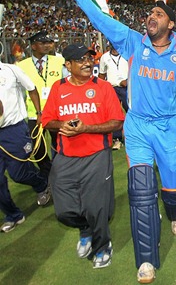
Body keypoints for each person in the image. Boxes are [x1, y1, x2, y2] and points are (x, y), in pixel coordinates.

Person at [58, 0, 176, 284]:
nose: (150, 17)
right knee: (140, 191)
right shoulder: (134, 42)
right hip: (137, 126)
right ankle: (147, 261)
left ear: (171, 23)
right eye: (149, 14)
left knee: (173, 187)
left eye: (158, 14)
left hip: (170, 127)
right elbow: (101, 19)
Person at [42, 44, 124, 269]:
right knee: (63, 211)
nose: (88, 63)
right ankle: (85, 228)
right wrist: (62, 124)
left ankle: (102, 246)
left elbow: (117, 121)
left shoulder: (104, 87)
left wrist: (85, 128)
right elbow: (47, 120)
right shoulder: (58, 88)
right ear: (68, 65)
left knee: (96, 207)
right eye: (80, 60)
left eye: (90, 58)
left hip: (97, 155)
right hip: (65, 156)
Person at [0, 61, 51, 233]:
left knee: (18, 173)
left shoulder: (11, 70)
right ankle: (13, 215)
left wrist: (38, 112)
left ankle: (42, 184)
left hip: (13, 129)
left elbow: (31, 88)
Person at [18, 30, 66, 177]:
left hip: (57, 112)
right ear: (33, 46)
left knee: (61, 144)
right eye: (42, 43)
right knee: (37, 148)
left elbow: (66, 84)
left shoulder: (59, 61)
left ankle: (61, 172)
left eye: (48, 42)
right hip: (34, 114)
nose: (47, 45)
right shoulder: (21, 66)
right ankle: (48, 173)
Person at [98, 43, 129, 149]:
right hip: (112, 88)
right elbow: (101, 75)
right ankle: (117, 139)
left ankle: (133, 137)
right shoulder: (104, 57)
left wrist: (129, 81)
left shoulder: (127, 55)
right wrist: (102, 90)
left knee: (131, 112)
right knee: (114, 115)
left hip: (127, 88)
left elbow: (135, 70)